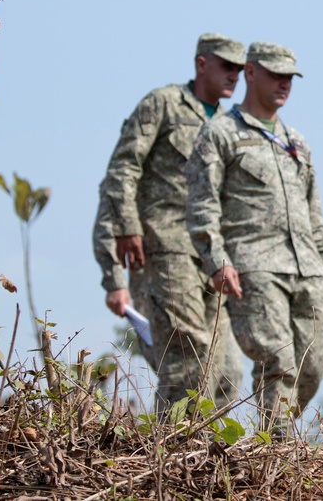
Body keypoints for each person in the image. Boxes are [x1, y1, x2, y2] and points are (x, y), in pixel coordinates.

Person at [186, 42, 323, 434]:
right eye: (275, 74)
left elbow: (314, 210)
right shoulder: (220, 133)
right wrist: (216, 259)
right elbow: (202, 205)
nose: (284, 84)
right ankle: (278, 451)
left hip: (306, 267)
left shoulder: (297, 143)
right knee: (278, 359)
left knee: (315, 361)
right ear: (251, 73)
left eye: (289, 77)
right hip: (255, 266)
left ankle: (277, 433)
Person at [93, 33, 246, 412]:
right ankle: (172, 456)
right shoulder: (162, 104)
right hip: (165, 249)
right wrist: (126, 233)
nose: (234, 76)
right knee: (188, 362)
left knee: (226, 373)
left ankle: (209, 463)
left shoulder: (230, 126)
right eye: (227, 66)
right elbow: (121, 172)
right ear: (201, 64)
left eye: (240, 70)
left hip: (211, 259)